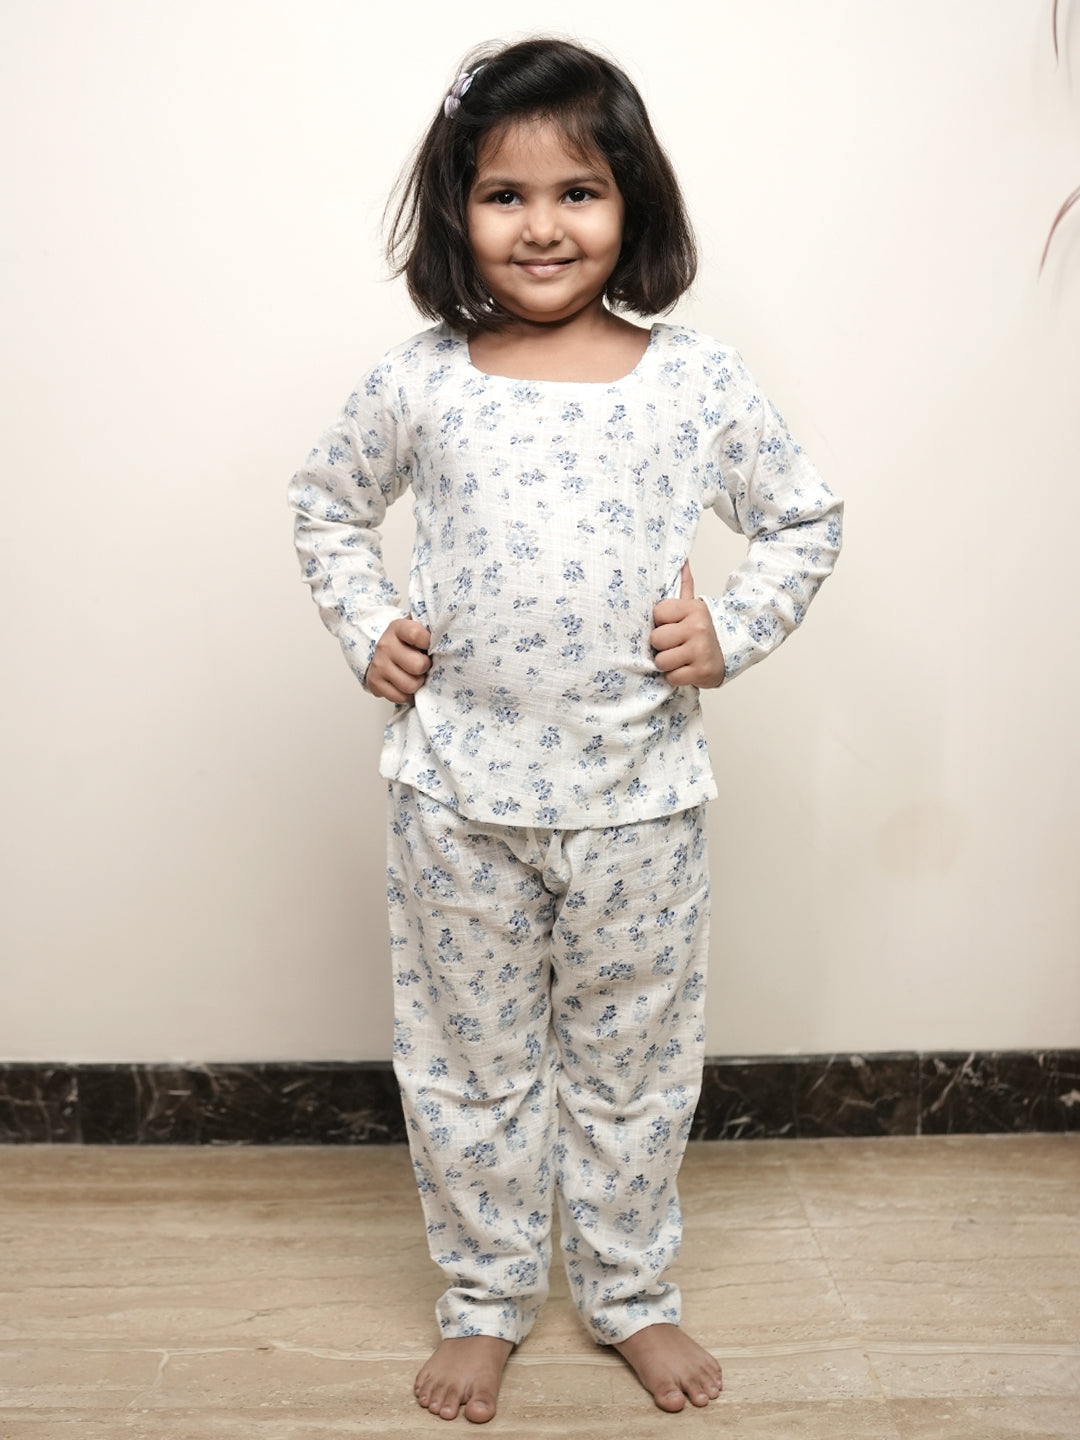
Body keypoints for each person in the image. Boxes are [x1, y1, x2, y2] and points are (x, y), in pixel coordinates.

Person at [288, 36, 842, 1424]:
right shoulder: (421, 381)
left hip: (640, 802)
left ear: (632, 204)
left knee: (632, 1069)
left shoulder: (694, 382)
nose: (542, 226)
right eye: (505, 194)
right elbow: (326, 505)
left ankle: (630, 1290)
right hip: (457, 798)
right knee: (467, 1070)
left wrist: (731, 630)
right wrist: (369, 625)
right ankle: (484, 1298)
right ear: (457, 211)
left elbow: (803, 516)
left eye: (579, 191)